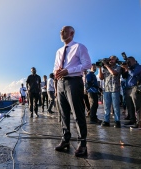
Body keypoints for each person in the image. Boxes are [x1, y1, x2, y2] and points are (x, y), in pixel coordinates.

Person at [53, 26, 91, 157]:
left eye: (64, 31)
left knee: (77, 112)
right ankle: (65, 139)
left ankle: (82, 143)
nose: (61, 33)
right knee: (63, 113)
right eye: (60, 31)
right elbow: (55, 67)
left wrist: (69, 70)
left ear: (72, 33)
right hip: (61, 82)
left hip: (74, 81)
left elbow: (87, 64)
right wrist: (56, 73)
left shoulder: (80, 47)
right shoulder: (58, 51)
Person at [98, 55, 122, 128]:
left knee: (116, 106)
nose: (111, 60)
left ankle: (117, 121)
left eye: (113, 59)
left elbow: (114, 73)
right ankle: (106, 121)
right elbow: (101, 78)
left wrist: (106, 65)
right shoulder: (105, 68)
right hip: (107, 89)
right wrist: (100, 68)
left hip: (115, 89)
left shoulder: (118, 67)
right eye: (110, 59)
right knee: (106, 106)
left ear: (116, 60)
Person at [121, 56, 141, 128]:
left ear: (133, 61)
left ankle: (139, 122)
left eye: (129, 61)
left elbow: (133, 74)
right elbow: (124, 76)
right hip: (128, 88)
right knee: (130, 106)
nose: (128, 63)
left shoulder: (138, 67)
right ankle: (132, 120)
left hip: (135, 87)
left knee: (137, 106)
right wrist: (124, 69)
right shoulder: (129, 68)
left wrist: (127, 68)